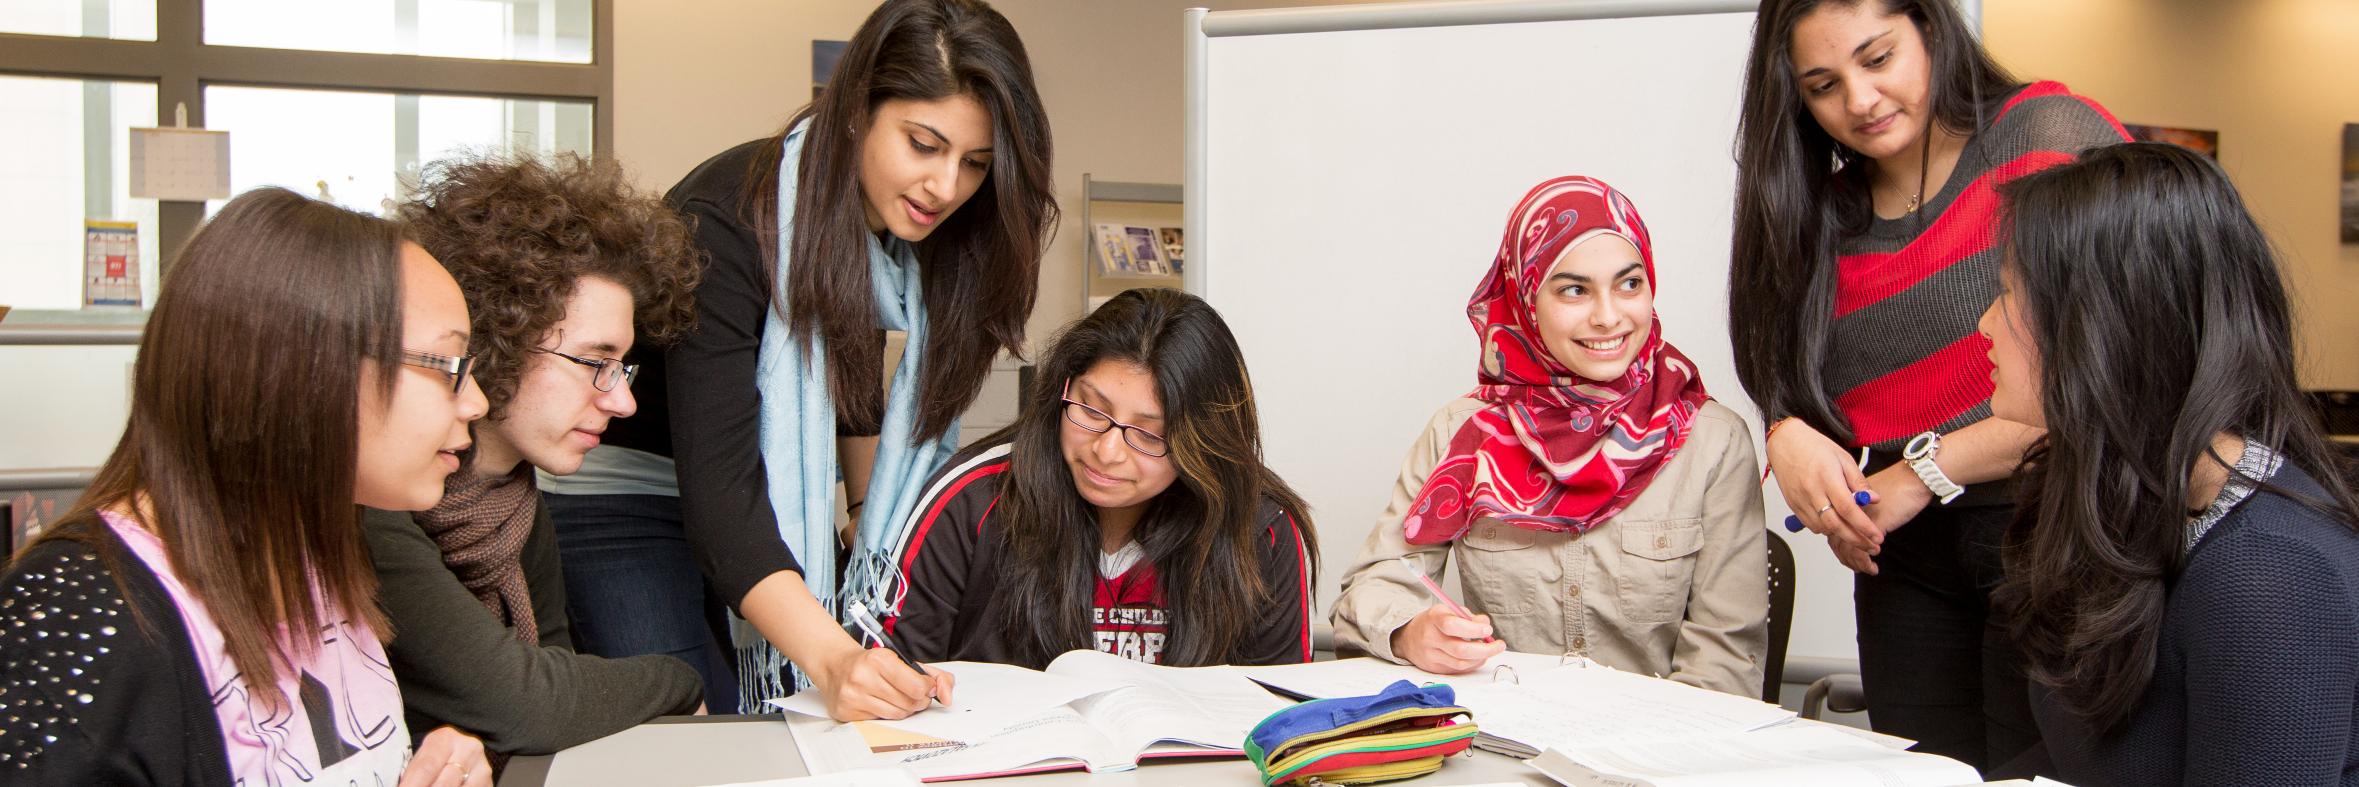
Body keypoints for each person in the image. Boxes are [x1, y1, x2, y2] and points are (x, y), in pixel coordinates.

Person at [542, 0, 1056, 718]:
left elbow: (852, 392)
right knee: (695, 725)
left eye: (974, 163)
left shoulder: (888, 235)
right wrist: (837, 657)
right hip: (628, 490)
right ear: (857, 111)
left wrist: (863, 528)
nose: (946, 187)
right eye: (923, 144)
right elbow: (721, 495)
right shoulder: (726, 218)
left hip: (755, 499)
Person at [1726, 0, 2130, 768]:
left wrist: (1920, 471)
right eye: (1822, 85)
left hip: (2052, 535)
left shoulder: (2045, 136)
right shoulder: (1818, 213)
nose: (1860, 102)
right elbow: (1785, 373)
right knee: (1917, 774)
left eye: (1877, 59)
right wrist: (1786, 433)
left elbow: (2108, 373)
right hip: (1900, 560)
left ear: (1930, 29)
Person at [0, 188, 495, 785]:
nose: (476, 402)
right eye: (448, 366)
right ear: (306, 370)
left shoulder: (312, 552)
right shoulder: (79, 618)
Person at [1985, 143, 2359, 785]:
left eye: (2008, 295)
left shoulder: (2271, 573)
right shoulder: (2123, 499)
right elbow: (2089, 759)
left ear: (2100, 326)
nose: (1986, 324)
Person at [1331, 176, 1767, 698]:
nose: (1608, 316)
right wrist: (1409, 631)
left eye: (1629, 284)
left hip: (1659, 758)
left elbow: (1724, 666)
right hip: (1502, 750)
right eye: (1574, 290)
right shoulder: (1463, 432)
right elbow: (1374, 586)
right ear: (1525, 298)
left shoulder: (1712, 442)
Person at [364, 154, 707, 757]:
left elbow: (555, 692)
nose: (623, 401)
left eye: (622, 367)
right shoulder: (375, 503)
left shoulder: (517, 506)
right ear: (500, 337)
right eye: (594, 363)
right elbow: (527, 702)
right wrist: (679, 680)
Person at [891, 288, 1318, 668]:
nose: (1107, 452)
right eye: (1092, 411)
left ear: (1201, 443)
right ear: (1063, 387)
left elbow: (1275, 718)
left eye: (1149, 434)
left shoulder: (1260, 526)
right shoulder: (973, 500)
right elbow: (892, 680)